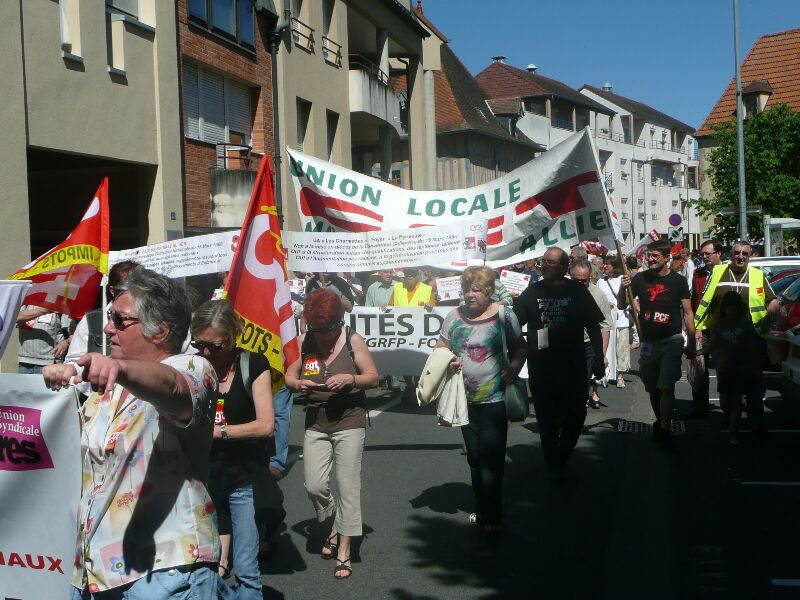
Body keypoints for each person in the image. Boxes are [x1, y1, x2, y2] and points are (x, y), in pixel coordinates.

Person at [43, 266, 220, 599]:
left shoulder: (193, 367)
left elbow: (175, 388)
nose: (108, 328)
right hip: (99, 573)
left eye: (121, 320)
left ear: (160, 331)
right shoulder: (104, 392)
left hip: (166, 573)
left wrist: (119, 368)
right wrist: (52, 391)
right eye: (110, 317)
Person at [284, 289, 379, 579]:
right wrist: (298, 385)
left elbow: (373, 378)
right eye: (316, 327)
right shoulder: (305, 341)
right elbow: (288, 376)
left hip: (349, 419)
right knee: (313, 485)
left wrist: (351, 378)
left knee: (347, 484)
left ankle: (345, 548)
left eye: (326, 328)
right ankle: (336, 520)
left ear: (338, 322)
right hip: (316, 422)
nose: (321, 334)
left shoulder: (352, 339)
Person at [191, 300, 274, 599]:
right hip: (201, 482)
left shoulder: (254, 364)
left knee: (246, 569)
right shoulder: (193, 366)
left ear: (231, 337)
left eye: (214, 346)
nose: (205, 353)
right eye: (198, 344)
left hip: (244, 481)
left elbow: (266, 425)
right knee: (202, 569)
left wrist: (219, 432)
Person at [436, 266, 527, 532]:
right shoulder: (453, 317)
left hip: (495, 398)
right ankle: (482, 504)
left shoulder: (504, 315)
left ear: (488, 292)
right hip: (464, 398)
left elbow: (521, 345)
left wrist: (513, 368)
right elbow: (441, 347)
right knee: (475, 456)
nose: (470, 295)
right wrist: (447, 360)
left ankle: (491, 515)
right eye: (467, 289)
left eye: (476, 290)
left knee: (492, 456)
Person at [514, 247, 605, 478]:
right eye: (543, 261)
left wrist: (598, 359)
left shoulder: (577, 290)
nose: (545, 265)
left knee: (575, 414)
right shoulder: (532, 291)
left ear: (564, 267)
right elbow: (514, 324)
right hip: (541, 367)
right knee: (546, 417)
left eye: (552, 262)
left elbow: (594, 325)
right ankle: (553, 461)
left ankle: (564, 448)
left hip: (573, 366)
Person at [693, 239, 780, 434]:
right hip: (724, 338)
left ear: (750, 256)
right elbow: (705, 301)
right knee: (725, 385)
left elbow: (772, 301)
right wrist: (697, 329)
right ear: (730, 255)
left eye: (745, 254)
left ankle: (755, 422)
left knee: (754, 382)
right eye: (737, 253)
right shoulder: (718, 272)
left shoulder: (757, 275)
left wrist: (773, 315)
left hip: (752, 338)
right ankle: (731, 416)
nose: (740, 257)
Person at [618, 240, 695, 449]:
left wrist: (692, 341)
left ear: (667, 257)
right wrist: (622, 286)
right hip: (648, 342)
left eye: (655, 256)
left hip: (672, 340)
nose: (650, 259)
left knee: (666, 386)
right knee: (652, 388)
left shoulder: (678, 281)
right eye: (648, 256)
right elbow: (622, 304)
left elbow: (688, 313)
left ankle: (664, 427)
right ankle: (661, 421)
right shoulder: (640, 279)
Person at [710, 292, 764, 446]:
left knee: (736, 400)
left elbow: (754, 344)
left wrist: (755, 363)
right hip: (725, 368)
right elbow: (713, 344)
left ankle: (734, 431)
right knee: (725, 400)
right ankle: (729, 418)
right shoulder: (720, 324)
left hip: (741, 368)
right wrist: (700, 352)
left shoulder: (745, 323)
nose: (731, 311)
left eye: (734, 308)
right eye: (729, 308)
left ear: (739, 308)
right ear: (724, 308)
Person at [66, 260, 139, 363]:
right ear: (112, 291)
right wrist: (95, 368)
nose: (134, 292)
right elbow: (73, 362)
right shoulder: (92, 320)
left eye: (139, 286)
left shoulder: (153, 318)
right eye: (127, 287)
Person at [686, 240, 723, 418]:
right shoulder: (698, 273)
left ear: (718, 254)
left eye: (708, 253)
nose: (705, 257)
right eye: (702, 254)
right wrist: (692, 327)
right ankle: (700, 407)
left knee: (725, 367)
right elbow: (694, 300)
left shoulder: (726, 272)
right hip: (702, 329)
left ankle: (730, 408)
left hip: (722, 328)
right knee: (699, 368)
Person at [568, 260, 612, 410]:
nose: (580, 283)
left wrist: (602, 355)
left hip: (588, 346)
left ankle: (576, 411)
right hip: (565, 344)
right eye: (576, 280)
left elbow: (605, 327)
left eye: (584, 281)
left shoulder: (598, 295)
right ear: (570, 276)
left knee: (582, 381)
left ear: (590, 278)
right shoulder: (561, 291)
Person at [598, 256, 631, 388]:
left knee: (621, 348)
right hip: (605, 320)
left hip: (621, 318)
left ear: (615, 267)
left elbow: (629, 299)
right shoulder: (601, 281)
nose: (605, 266)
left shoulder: (623, 279)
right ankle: (605, 374)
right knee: (606, 348)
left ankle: (620, 375)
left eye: (608, 264)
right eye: (604, 264)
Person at [16, 306, 69, 373]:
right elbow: (17, 317)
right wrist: (44, 310)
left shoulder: (60, 304)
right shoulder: (26, 303)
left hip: (50, 363)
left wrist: (66, 342)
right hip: (25, 362)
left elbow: (74, 333)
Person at [625, 255, 641, 348]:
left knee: (635, 320)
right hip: (637, 298)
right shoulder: (638, 273)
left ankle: (636, 341)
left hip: (635, 298)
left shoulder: (632, 274)